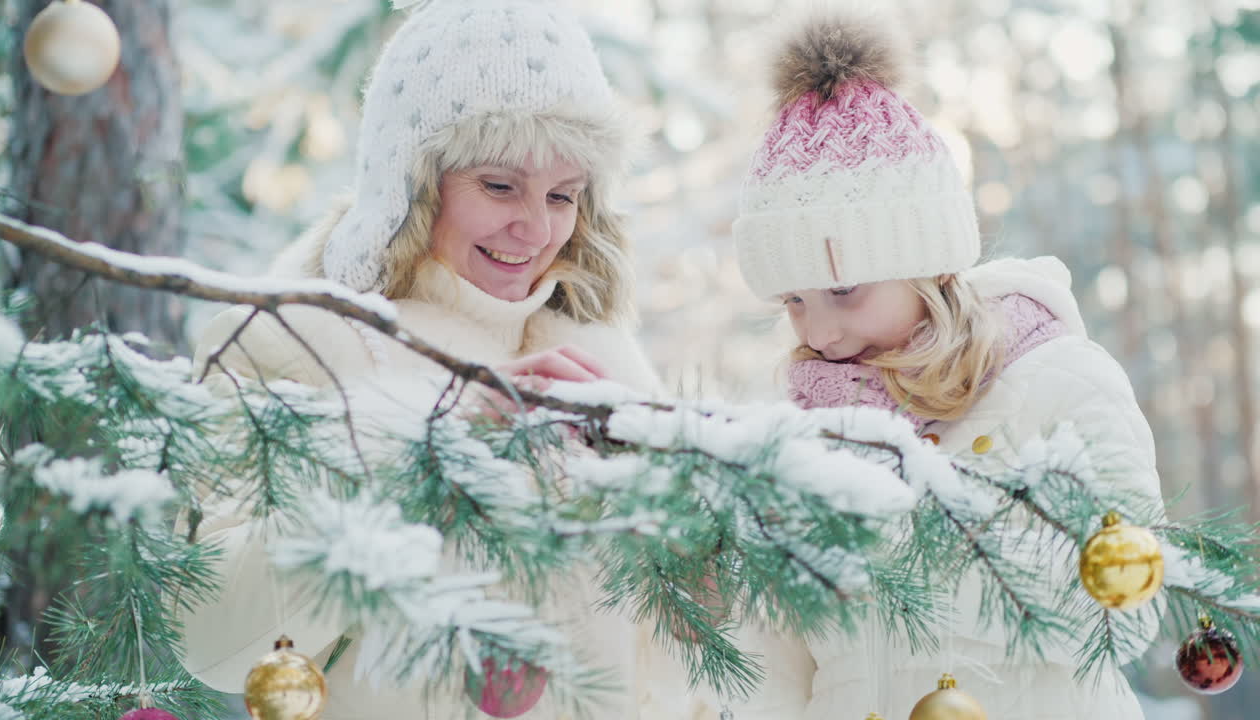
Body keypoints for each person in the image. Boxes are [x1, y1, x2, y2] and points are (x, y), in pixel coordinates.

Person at [643, 7, 1164, 719]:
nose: (820, 332)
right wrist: (718, 603)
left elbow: (1126, 614)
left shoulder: (1062, 382)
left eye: (843, 290)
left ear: (926, 262)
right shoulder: (808, 431)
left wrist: (891, 535)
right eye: (793, 300)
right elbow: (792, 677)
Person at [173, 1, 660, 718]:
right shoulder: (292, 344)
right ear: (410, 182)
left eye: (563, 195)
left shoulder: (607, 364)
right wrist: (421, 446)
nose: (535, 228)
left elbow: (700, 656)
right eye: (499, 185)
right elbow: (206, 635)